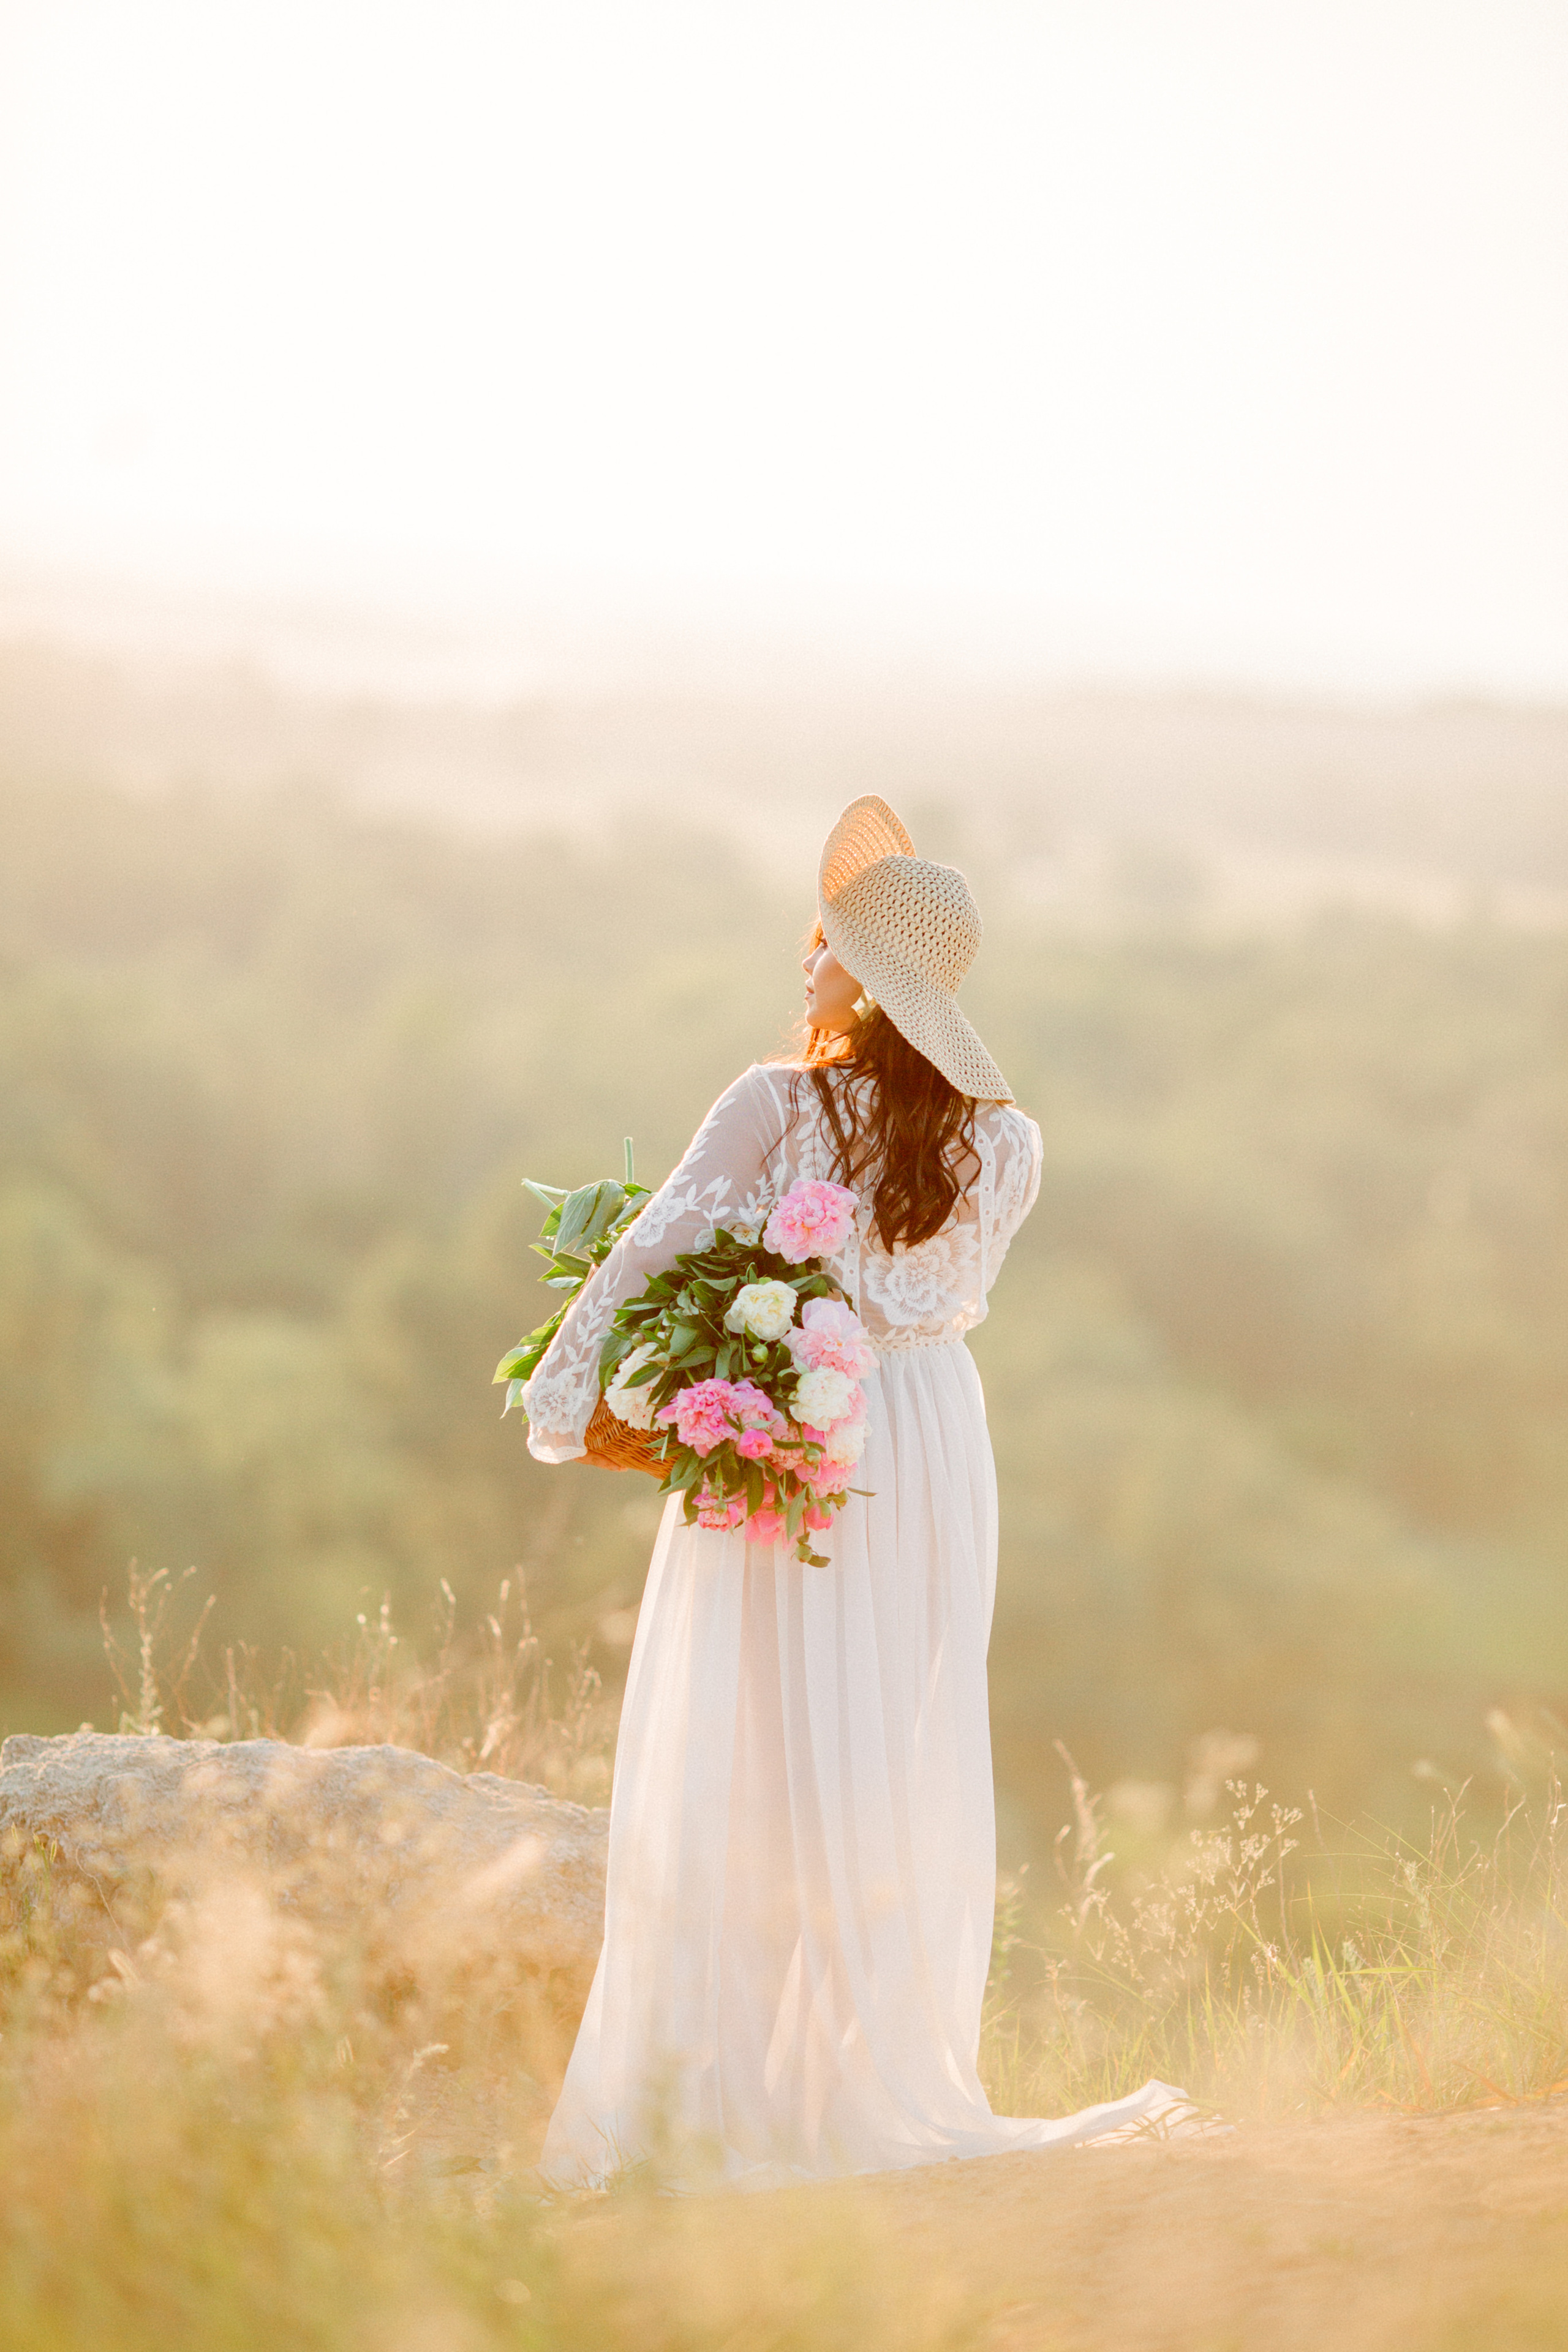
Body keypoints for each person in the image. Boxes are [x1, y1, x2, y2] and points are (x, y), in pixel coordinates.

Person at [521, 795, 1185, 2188]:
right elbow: (927, 1305)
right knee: (885, 1733)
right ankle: (846, 2068)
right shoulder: (1009, 1144)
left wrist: (569, 1396)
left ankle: (729, 2084)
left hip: (800, 1426)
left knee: (753, 1731)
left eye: (819, 941)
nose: (801, 956)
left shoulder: (770, 1102)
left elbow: (649, 1252)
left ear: (860, 978)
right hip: (929, 1434)